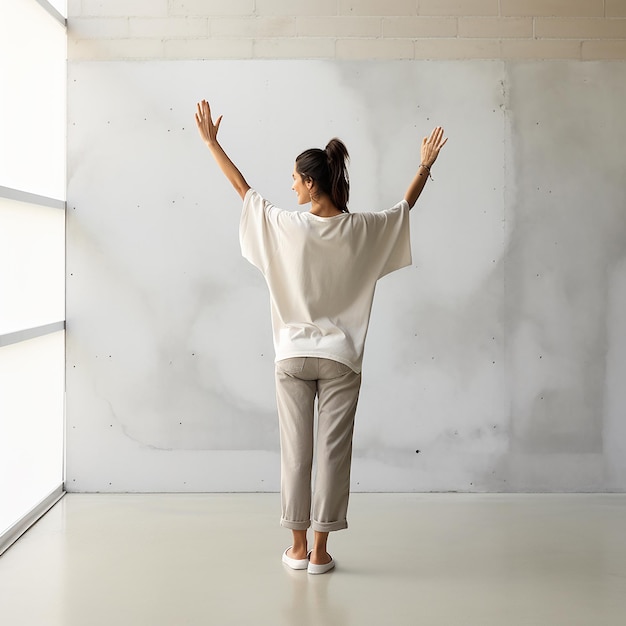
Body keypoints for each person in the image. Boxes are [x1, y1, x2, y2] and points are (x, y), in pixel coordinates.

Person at [195, 100, 447, 575]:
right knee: (332, 455)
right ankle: (320, 552)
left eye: (294, 177)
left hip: (291, 357)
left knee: (297, 454)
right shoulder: (361, 230)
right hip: (341, 361)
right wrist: (424, 166)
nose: (290, 184)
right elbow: (403, 208)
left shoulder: (286, 227)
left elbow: (242, 190)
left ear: (311, 183)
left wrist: (212, 143)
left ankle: (295, 548)